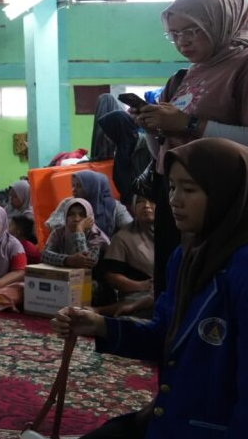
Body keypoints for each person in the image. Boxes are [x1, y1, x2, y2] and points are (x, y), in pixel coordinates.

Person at [51, 138, 248, 439]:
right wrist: (100, 324)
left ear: (226, 193)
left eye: (189, 189)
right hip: (172, 417)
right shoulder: (185, 256)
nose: (174, 200)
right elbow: (164, 336)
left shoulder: (241, 267)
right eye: (172, 187)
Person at [131, 0, 248, 298]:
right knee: (174, 283)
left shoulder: (242, 67)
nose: (183, 41)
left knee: (213, 292)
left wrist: (188, 123)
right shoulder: (184, 77)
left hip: (224, 201)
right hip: (175, 193)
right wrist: (152, 128)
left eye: (192, 30)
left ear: (220, 21)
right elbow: (164, 154)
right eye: (175, 34)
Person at [100, 195, 155, 318]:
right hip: (136, 299)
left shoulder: (176, 234)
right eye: (140, 202)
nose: (146, 206)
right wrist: (141, 285)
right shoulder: (123, 238)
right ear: (134, 206)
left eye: (152, 201)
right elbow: (112, 276)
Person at [45, 170, 132, 236]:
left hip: (104, 248)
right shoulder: (68, 203)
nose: (73, 190)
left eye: (79, 186)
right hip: (72, 248)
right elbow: (53, 225)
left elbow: (130, 227)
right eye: (73, 186)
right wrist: (77, 227)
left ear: (92, 188)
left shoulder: (114, 206)